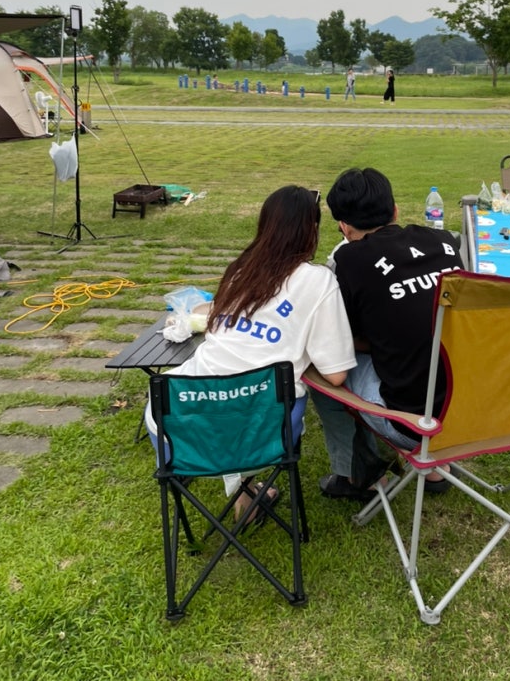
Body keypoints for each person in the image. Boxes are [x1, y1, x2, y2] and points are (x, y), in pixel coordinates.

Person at [146, 185, 356, 515]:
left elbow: (215, 330)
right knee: (251, 401)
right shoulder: (318, 281)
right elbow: (336, 372)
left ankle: (245, 495)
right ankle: (246, 494)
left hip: (181, 426)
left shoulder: (239, 272)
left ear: (265, 225)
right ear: (311, 230)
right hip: (263, 428)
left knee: (232, 396)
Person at [312, 167, 463, 500]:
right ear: (395, 210)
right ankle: (437, 469)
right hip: (473, 412)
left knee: (323, 367)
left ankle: (359, 477)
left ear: (344, 227)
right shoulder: (445, 241)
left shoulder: (348, 260)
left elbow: (345, 338)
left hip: (411, 425)